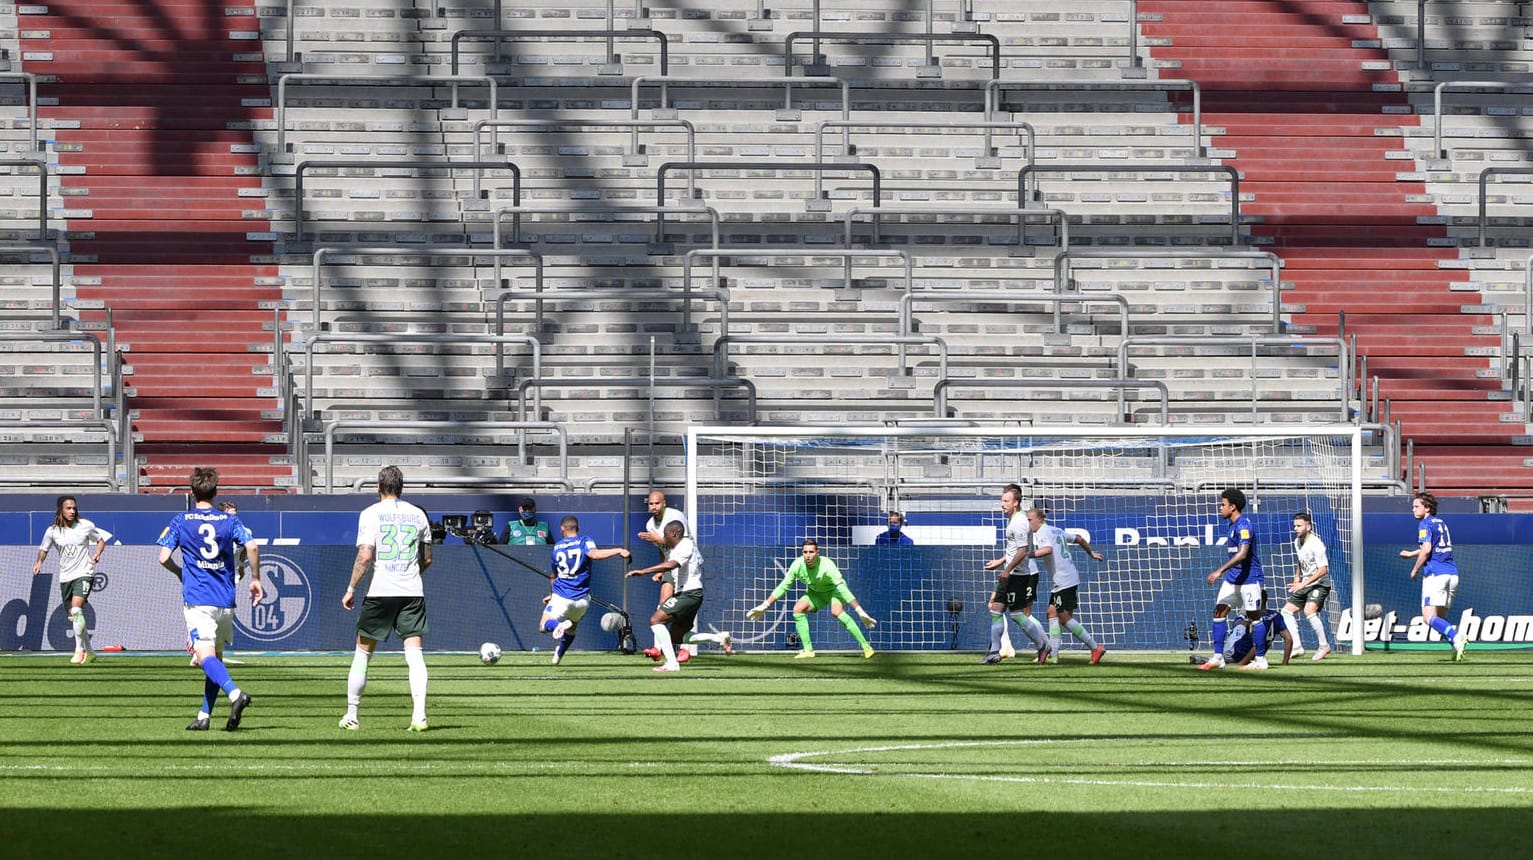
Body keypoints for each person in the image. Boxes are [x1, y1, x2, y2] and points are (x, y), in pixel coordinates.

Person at [156, 468, 261, 731]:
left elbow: (163, 557)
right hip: (225, 600)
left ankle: (236, 695)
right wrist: (256, 579)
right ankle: (204, 715)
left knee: (204, 658)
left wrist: (180, 572)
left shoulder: (181, 520)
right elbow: (253, 547)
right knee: (215, 659)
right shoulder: (229, 520)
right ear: (215, 492)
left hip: (199, 599)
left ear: (191, 492)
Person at [340, 465, 434, 731]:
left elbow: (365, 556)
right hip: (411, 591)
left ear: (379, 487)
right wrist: (412, 572)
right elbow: (427, 558)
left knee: (362, 653)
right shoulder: (418, 515)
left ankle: (352, 714)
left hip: (380, 590)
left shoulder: (370, 513)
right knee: (415, 656)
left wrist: (351, 588)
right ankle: (419, 716)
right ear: (401, 488)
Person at [747, 539, 877, 659]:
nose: (808, 555)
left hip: (834, 591)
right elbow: (783, 586)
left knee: (836, 611)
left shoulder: (827, 565)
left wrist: (859, 611)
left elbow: (843, 589)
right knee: (798, 609)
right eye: (805, 552)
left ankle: (867, 647)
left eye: (811, 552)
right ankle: (808, 650)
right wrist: (765, 605)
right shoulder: (797, 565)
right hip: (816, 593)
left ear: (817, 553)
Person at [635, 490, 723, 661]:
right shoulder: (650, 525)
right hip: (670, 564)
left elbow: (679, 542)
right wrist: (660, 570)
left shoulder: (675, 516)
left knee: (678, 610)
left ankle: (683, 649)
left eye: (656, 503)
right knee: (663, 605)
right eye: (651, 504)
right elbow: (664, 550)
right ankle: (658, 648)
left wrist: (658, 541)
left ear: (664, 503)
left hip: (684, 564)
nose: (653, 507)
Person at [543, 515, 631, 665]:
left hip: (562, 595)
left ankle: (557, 626)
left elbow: (554, 575)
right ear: (578, 528)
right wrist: (618, 550)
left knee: (544, 625)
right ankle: (559, 654)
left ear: (562, 529)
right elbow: (595, 554)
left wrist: (551, 595)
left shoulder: (557, 547)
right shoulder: (585, 541)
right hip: (582, 599)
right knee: (572, 627)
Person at [1026, 507, 1107, 665]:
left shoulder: (1042, 532)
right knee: (1051, 613)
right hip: (1066, 578)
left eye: (1030, 520)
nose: (1028, 524)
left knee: (1064, 618)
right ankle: (1054, 656)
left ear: (1040, 520)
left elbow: (1047, 550)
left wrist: (1028, 554)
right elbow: (1079, 539)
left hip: (1064, 580)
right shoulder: (1057, 530)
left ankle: (1095, 647)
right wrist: (1091, 553)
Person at [981, 483, 1051, 665]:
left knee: (1017, 614)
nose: (1002, 504)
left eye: (1006, 501)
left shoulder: (1019, 522)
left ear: (1016, 502)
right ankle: (994, 652)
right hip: (1012, 572)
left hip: (1018, 575)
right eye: (1002, 500)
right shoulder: (1015, 519)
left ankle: (1043, 645)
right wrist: (1000, 562)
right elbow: (1014, 550)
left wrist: (1006, 569)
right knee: (995, 609)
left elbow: (1022, 551)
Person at [33, 495, 107, 664]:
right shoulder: (52, 531)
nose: (72, 511)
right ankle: (91, 651)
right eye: (68, 508)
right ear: (61, 510)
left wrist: (97, 553)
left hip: (84, 573)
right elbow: (44, 549)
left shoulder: (85, 526)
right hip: (65, 576)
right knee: (75, 616)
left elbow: (100, 540)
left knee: (75, 610)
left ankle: (78, 650)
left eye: (74, 508)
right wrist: (39, 562)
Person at [1199, 488, 1267, 671]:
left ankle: (1261, 660)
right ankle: (1218, 657)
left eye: (1223, 505)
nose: (1220, 508)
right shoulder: (1232, 525)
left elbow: (1243, 554)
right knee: (1219, 613)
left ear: (1233, 507)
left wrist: (1219, 571)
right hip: (1232, 580)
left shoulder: (1244, 526)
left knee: (1254, 618)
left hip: (1249, 580)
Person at [626, 520, 705, 673]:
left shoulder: (685, 545)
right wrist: (660, 573)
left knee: (656, 619)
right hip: (688, 593)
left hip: (690, 593)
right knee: (677, 636)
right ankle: (718, 638)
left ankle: (671, 663)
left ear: (674, 534)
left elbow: (671, 565)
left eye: (666, 534)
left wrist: (644, 571)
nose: (664, 537)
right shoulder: (676, 548)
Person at [1400, 491, 1467, 661]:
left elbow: (1427, 550)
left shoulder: (1424, 524)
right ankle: (1456, 647)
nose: (1413, 509)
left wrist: (1415, 569)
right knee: (1441, 619)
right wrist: (1411, 554)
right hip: (1452, 575)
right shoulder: (1441, 523)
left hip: (1435, 575)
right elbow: (1431, 548)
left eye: (1416, 506)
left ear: (1427, 508)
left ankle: (1457, 637)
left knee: (1429, 617)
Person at [1283, 511, 1333, 662]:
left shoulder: (1316, 544)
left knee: (1308, 610)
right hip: (1305, 582)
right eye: (1294, 526)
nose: (1295, 529)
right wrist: (1297, 577)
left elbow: (1323, 569)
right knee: (1286, 611)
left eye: (1299, 526)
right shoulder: (1297, 542)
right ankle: (1297, 646)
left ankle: (1324, 645)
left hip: (1320, 583)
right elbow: (1301, 561)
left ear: (1309, 527)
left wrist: (1303, 583)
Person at [1225, 589, 1294, 670]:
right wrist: (1285, 663)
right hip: (1255, 656)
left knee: (1240, 624)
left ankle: (1242, 614)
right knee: (1246, 626)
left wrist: (1241, 663)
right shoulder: (1276, 615)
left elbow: (1256, 645)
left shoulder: (1257, 620)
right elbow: (1289, 639)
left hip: (1233, 654)